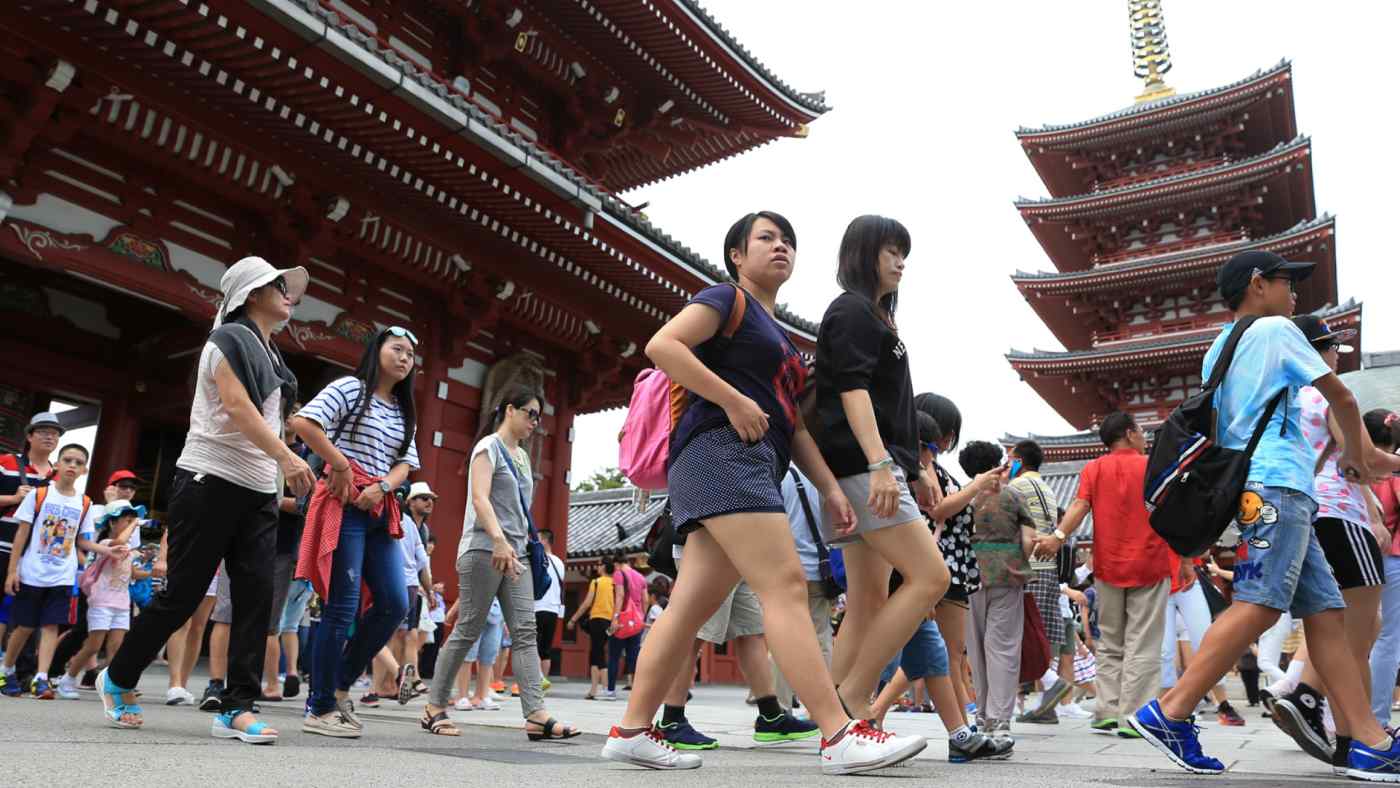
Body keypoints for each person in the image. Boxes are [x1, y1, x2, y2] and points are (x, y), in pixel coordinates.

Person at [602, 212, 925, 774]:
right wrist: (731, 399)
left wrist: (829, 489)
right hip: (721, 452)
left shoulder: (782, 338)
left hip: (751, 461)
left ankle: (630, 730)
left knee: (687, 608)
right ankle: (838, 733)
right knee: (785, 585)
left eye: (789, 242)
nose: (781, 248)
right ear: (736, 254)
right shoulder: (727, 299)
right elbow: (664, 346)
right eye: (767, 239)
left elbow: (793, 427)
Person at [1127, 250, 1400, 780]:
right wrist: (1358, 458)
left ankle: (1369, 740)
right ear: (1257, 284)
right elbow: (1340, 396)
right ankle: (1171, 709)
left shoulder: (1217, 349)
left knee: (1326, 614)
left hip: (1259, 489)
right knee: (1260, 605)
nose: (1295, 292)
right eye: (1287, 281)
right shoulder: (1277, 331)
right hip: (1280, 487)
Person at [97, 256, 313, 742]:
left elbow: (281, 419)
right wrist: (289, 460)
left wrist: (328, 461)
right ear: (251, 294)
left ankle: (236, 706)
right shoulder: (227, 340)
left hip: (258, 490)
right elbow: (237, 408)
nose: (286, 291)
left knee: (255, 601)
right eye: (276, 284)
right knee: (183, 595)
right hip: (209, 480)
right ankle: (118, 677)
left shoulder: (272, 354)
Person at [1269, 316, 1400, 766]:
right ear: (1317, 351)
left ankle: (1351, 736)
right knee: (1359, 630)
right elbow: (1364, 458)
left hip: (1299, 513)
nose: (1335, 359)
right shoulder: (1326, 397)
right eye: (1333, 350)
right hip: (1341, 517)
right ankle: (1304, 693)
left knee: (1339, 625)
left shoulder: (1279, 398)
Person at [421, 384, 576, 741]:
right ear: (509, 410)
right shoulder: (487, 447)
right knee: (468, 628)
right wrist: (498, 539)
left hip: (517, 553)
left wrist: (514, 544)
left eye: (539, 416)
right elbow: (479, 497)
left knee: (525, 631)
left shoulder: (522, 457)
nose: (535, 421)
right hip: (484, 547)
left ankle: (536, 714)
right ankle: (434, 707)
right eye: (529, 413)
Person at [292, 325, 421, 738]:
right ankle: (320, 705)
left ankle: (341, 684)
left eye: (410, 355)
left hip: (380, 510)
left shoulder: (404, 410)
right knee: (342, 606)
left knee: (394, 602)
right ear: (376, 350)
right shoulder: (350, 388)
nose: (404, 358)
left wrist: (383, 486)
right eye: (396, 349)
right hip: (345, 505)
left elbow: (406, 464)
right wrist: (342, 466)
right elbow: (304, 422)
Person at [1032, 412, 1171, 737]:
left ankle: (1107, 709)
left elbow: (1079, 506)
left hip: (1108, 565)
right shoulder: (1151, 465)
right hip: (1150, 562)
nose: (1144, 436)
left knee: (1110, 640)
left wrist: (1058, 537)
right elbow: (1172, 509)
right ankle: (1134, 716)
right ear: (1128, 433)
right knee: (1143, 642)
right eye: (1140, 431)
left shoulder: (1094, 468)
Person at [916, 394, 999, 734]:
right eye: (947, 431)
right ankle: (962, 732)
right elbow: (938, 508)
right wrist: (976, 486)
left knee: (946, 652)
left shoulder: (931, 466)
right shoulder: (922, 467)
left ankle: (962, 730)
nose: (948, 439)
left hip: (950, 565)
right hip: (940, 565)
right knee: (945, 653)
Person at [1, 444, 105, 699]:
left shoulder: (85, 503)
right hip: (32, 571)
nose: (72, 465)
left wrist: (107, 550)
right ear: (56, 464)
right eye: (67, 460)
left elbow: (82, 541)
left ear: (84, 470)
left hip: (62, 575)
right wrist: (12, 571)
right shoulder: (38, 495)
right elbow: (22, 534)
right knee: (24, 627)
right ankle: (7, 668)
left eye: (78, 462)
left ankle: (41, 678)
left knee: (50, 626)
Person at [962, 439, 1032, 743]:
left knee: (975, 649)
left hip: (969, 576)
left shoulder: (962, 496)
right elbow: (1028, 540)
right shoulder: (1014, 496)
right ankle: (1000, 719)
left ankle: (980, 715)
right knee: (1002, 648)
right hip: (1007, 573)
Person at [49, 469, 143, 688]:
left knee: (112, 642)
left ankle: (110, 681)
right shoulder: (96, 509)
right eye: (123, 486)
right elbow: (97, 541)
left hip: (119, 590)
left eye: (132, 487)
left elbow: (129, 553)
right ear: (111, 487)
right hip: (92, 586)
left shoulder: (131, 519)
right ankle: (56, 670)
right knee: (84, 635)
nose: (128, 490)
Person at [1005, 439, 1071, 724]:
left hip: (1027, 565)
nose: (1008, 463)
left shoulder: (1016, 487)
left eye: (1010, 458)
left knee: (1020, 633)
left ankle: (1046, 685)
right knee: (1041, 632)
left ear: (1019, 459)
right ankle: (1047, 706)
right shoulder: (1048, 488)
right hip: (1048, 567)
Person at [0, 412, 62, 655]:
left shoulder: (57, 476)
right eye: (44, 432)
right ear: (29, 436)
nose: (50, 437)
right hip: (2, 545)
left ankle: (14, 669)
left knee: (25, 614)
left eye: (55, 434)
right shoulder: (6, 463)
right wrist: (15, 498)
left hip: (34, 555)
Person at [261, 410, 309, 702]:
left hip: (287, 547)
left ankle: (272, 683)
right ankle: (283, 673)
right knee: (283, 621)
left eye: (296, 412)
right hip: (261, 540)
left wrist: (276, 499)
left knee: (274, 621)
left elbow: (308, 503)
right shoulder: (265, 448)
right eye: (287, 412)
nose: (291, 417)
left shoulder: (306, 456)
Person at [1368, 411, 1400, 727]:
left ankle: (1339, 716)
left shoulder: (1354, 463)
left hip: (1357, 552)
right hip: (1393, 556)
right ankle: (1377, 718)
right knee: (1388, 640)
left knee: (1355, 636)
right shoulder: (1394, 469)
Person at [392, 481, 437, 704]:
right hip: (404, 582)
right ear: (409, 502)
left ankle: (402, 676)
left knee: (405, 634)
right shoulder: (406, 522)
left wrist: (429, 592)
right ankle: (403, 677)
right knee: (399, 634)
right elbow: (422, 561)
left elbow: (424, 564)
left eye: (432, 499)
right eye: (424, 498)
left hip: (409, 584)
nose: (429, 502)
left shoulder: (423, 529)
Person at [567, 562, 614, 699]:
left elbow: (587, 603)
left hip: (597, 619)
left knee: (596, 654)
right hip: (609, 621)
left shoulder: (596, 582)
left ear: (604, 567)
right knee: (600, 652)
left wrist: (573, 619)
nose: (598, 567)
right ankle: (601, 689)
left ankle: (599, 689)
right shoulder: (614, 583)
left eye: (600, 564)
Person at [606, 554, 646, 700]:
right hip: (636, 621)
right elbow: (645, 600)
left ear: (617, 564)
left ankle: (611, 690)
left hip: (622, 621)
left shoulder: (618, 574)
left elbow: (620, 596)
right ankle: (637, 691)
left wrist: (615, 618)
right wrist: (641, 616)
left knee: (614, 656)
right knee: (633, 657)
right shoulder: (641, 577)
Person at [533, 528, 566, 689]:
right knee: (545, 648)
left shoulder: (538, 559)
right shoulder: (560, 562)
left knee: (532, 645)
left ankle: (536, 680)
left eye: (537, 538)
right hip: (553, 609)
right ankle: (543, 681)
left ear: (545, 541)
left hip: (537, 606)